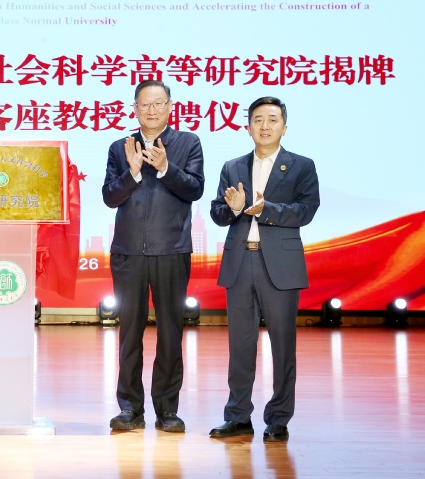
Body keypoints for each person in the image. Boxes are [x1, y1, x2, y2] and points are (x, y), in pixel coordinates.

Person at [209, 96, 319, 442]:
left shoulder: (301, 166)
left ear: (285, 127)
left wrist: (263, 208)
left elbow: (305, 211)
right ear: (248, 127)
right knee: (240, 345)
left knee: (282, 345)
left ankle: (279, 419)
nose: (265, 126)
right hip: (241, 262)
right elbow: (217, 213)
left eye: (272, 120)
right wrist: (233, 208)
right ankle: (238, 416)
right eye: (258, 120)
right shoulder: (232, 167)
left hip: (280, 266)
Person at [102, 80, 205, 432]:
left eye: (158, 103)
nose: (151, 110)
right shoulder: (120, 147)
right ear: (134, 108)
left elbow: (195, 189)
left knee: (170, 333)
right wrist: (132, 172)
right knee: (129, 333)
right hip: (128, 253)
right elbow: (110, 197)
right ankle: (130, 408)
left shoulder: (188, 143)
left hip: (171, 250)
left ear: (170, 106)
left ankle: (167, 410)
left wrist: (165, 168)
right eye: (144, 104)